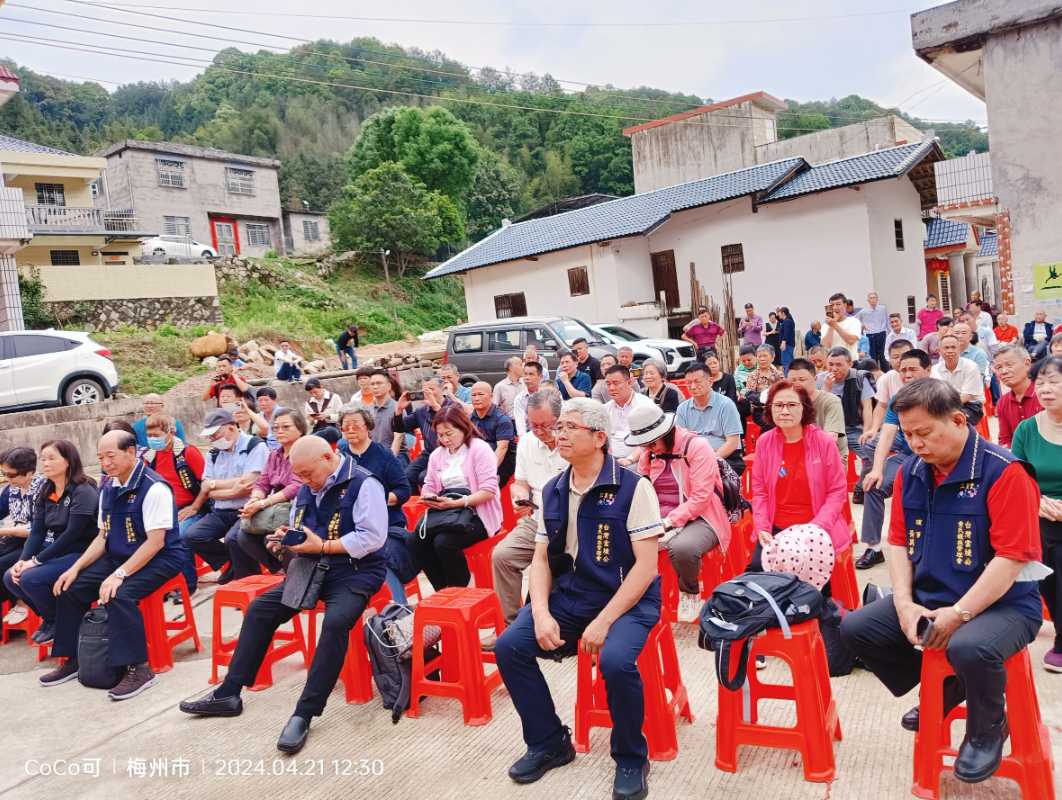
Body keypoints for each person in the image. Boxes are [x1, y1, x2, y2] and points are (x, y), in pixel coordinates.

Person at [839, 378, 1043, 786]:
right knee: (855, 628)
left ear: (957, 420)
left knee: (970, 645)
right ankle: (948, 689)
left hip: (1004, 605)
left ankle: (988, 727)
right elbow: (897, 542)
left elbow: (1009, 560)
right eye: (909, 434)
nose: (915, 443)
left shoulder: (1003, 472)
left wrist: (959, 613)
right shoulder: (914, 471)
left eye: (924, 433)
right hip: (931, 595)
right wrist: (903, 602)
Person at [493, 398, 663, 800]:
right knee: (509, 647)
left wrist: (604, 621)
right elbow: (540, 559)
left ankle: (631, 757)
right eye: (560, 427)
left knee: (616, 662)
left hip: (627, 601)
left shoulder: (634, 488)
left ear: (599, 438)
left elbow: (645, 568)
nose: (560, 433)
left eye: (571, 427)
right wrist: (539, 613)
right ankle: (550, 742)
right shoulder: (553, 489)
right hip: (573, 595)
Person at [180, 437, 388, 753]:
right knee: (261, 610)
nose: (303, 481)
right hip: (310, 567)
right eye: (299, 475)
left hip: (355, 570)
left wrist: (323, 547)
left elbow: (372, 537)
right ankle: (229, 691)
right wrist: (284, 539)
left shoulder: (364, 484)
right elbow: (299, 526)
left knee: (334, 624)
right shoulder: (307, 485)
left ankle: (305, 712)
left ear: (328, 457)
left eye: (307, 473)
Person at [38, 431, 186, 698]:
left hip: (161, 557)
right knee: (70, 587)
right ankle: (74, 658)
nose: (105, 462)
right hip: (119, 554)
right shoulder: (108, 486)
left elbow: (155, 543)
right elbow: (102, 536)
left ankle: (138, 669)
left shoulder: (154, 487)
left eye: (111, 456)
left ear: (131, 452)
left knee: (119, 594)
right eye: (100, 457)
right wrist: (76, 568)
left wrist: (120, 574)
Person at [632, 405, 731, 622]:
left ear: (665, 433)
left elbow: (701, 498)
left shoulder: (696, 447)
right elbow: (642, 490)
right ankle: (639, 596)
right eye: (644, 445)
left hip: (702, 516)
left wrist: (669, 522)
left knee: (683, 548)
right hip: (660, 516)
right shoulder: (648, 454)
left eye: (652, 443)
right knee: (623, 540)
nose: (649, 448)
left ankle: (690, 592)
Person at [750, 381, 850, 586]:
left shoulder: (823, 442)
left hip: (816, 530)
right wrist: (762, 527)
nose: (784, 411)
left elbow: (837, 491)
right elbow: (759, 490)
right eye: (778, 405)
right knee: (759, 585)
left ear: (805, 408)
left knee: (810, 594)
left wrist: (814, 529)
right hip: (776, 530)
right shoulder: (765, 442)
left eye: (792, 405)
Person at [3, 441, 97, 646]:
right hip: (55, 550)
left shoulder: (83, 490)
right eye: (43, 459)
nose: (45, 463)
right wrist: (23, 560)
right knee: (12, 577)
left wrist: (36, 561)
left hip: (81, 552)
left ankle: (58, 621)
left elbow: (72, 534)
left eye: (51, 458)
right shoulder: (48, 489)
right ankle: (53, 619)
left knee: (30, 579)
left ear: (67, 461)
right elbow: (37, 531)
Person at [491, 390, 567, 626]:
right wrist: (520, 496)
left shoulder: (572, 442)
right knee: (502, 556)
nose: (539, 431)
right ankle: (512, 625)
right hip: (537, 518)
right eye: (533, 425)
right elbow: (520, 483)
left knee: (550, 563)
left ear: (560, 419)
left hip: (570, 522)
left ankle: (547, 619)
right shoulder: (526, 442)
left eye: (545, 425)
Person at [858, 349, 934, 569]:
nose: (907, 374)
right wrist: (877, 469)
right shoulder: (898, 401)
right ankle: (873, 547)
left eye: (913, 369)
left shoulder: (941, 395)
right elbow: (888, 434)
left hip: (940, 458)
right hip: (909, 457)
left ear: (928, 370)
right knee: (873, 486)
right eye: (903, 370)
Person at [413, 405, 502, 589]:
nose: (445, 439)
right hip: (447, 511)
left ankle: (462, 590)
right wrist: (430, 498)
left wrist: (459, 503)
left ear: (463, 428)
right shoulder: (437, 455)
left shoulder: (479, 449)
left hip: (478, 513)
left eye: (449, 433)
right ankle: (444, 590)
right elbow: (429, 484)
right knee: (416, 541)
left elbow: (489, 490)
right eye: (440, 435)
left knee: (444, 543)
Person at [1011, 356, 1062, 672]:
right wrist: (1036, 500)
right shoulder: (1027, 430)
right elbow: (1016, 479)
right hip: (1042, 515)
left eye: (1054, 381)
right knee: (1048, 557)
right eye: (1040, 382)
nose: (1045, 389)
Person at [179, 410, 268, 584]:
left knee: (233, 539)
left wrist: (215, 485)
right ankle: (233, 565)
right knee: (192, 535)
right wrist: (231, 489)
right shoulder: (214, 453)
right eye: (210, 436)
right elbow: (206, 489)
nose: (212, 439)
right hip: (220, 511)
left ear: (231, 428)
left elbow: (249, 483)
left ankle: (246, 582)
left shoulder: (254, 446)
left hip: (246, 510)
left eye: (215, 434)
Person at [337, 407, 413, 605]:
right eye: (345, 426)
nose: (350, 429)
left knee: (378, 555)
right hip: (350, 527)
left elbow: (403, 490)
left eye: (355, 425)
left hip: (386, 525)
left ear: (368, 427)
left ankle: (398, 608)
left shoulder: (383, 455)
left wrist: (375, 501)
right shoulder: (340, 459)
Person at [235, 408, 306, 575]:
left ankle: (293, 575)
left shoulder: (304, 451)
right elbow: (263, 482)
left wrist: (262, 503)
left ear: (300, 429)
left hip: (298, 506)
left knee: (275, 538)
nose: (280, 431)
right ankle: (278, 570)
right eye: (276, 428)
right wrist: (254, 500)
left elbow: (296, 486)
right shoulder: (275, 454)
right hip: (274, 507)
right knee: (242, 536)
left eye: (286, 427)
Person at [141, 413, 206, 595]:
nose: (153, 439)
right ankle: (162, 584)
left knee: (181, 534)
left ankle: (188, 586)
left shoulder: (187, 453)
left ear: (170, 432)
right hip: (163, 512)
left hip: (191, 508)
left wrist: (194, 508)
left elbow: (206, 484)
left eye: (157, 435)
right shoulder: (150, 457)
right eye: (150, 436)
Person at [0, 448, 44, 626]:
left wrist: (5, 531)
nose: (7, 479)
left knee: (3, 565)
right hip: (16, 539)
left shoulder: (44, 487)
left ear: (29, 472)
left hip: (40, 542)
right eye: (4, 474)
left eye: (11, 475)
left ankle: (21, 601)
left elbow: (37, 528)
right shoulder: (10, 490)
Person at [676, 362, 744, 474]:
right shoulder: (682, 408)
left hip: (724, 457)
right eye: (689, 383)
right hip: (693, 458)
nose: (693, 387)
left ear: (710, 382)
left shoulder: (726, 404)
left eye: (697, 382)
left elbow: (732, 442)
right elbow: (681, 442)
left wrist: (709, 460)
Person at [394, 377, 454, 492]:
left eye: (431, 389)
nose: (428, 393)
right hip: (429, 453)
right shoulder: (421, 411)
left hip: (451, 453)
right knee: (407, 476)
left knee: (424, 477)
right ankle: (416, 505)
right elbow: (400, 428)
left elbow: (452, 425)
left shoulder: (454, 407)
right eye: (425, 390)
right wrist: (399, 410)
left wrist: (436, 407)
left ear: (442, 390)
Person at [786, 359, 847, 461]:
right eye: (792, 380)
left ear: (815, 378)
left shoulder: (831, 401)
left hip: (830, 456)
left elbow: (831, 438)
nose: (796, 384)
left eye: (801, 379)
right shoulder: (787, 402)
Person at [819, 347, 873, 462]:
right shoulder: (820, 380)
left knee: (871, 454)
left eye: (839, 365)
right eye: (830, 364)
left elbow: (867, 408)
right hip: (827, 429)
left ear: (850, 364)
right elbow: (817, 410)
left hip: (853, 429)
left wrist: (867, 433)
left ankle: (863, 480)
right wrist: (826, 389)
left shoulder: (859, 378)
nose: (834, 369)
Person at [602, 365, 655, 466]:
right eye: (608, 384)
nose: (611, 388)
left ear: (629, 382)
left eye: (616, 383)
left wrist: (630, 459)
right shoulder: (605, 409)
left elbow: (649, 441)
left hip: (638, 460)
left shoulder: (645, 405)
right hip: (610, 459)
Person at [992, 344, 1042, 448]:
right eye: (999, 367)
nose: (1004, 371)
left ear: (1027, 363)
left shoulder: (1044, 394)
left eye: (1009, 365)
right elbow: (1005, 439)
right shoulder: (1003, 402)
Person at [470, 381, 517, 486]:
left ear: (491, 396)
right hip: (479, 461)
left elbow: (502, 449)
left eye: (480, 394)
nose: (476, 398)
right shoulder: (470, 419)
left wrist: (488, 473)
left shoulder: (502, 419)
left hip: (502, 463)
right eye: (473, 395)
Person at [931, 334, 985, 426]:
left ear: (959, 349)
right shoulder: (935, 369)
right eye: (946, 348)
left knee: (953, 422)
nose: (950, 351)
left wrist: (945, 410)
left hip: (970, 405)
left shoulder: (970, 366)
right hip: (945, 405)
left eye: (953, 347)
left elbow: (967, 396)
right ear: (939, 351)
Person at [367, 370, 406, 462]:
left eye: (379, 383)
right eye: (372, 384)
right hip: (374, 454)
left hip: (397, 454)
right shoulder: (367, 410)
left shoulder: (398, 408)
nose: (375, 387)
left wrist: (388, 460)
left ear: (389, 386)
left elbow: (399, 437)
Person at [855, 291, 889, 370]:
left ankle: (886, 373)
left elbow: (887, 320)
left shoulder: (883, 309)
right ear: (868, 300)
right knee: (873, 356)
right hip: (870, 335)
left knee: (883, 356)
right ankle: (874, 373)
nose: (873, 300)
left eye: (874, 298)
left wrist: (889, 332)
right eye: (871, 298)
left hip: (881, 334)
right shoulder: (863, 312)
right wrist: (861, 325)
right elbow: (855, 320)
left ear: (877, 299)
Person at [822, 292, 861, 360]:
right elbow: (825, 345)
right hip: (833, 363)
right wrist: (831, 325)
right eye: (832, 305)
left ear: (845, 305)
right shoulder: (826, 325)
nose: (835, 307)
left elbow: (851, 340)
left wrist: (835, 325)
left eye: (838, 304)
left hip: (851, 362)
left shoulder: (854, 321)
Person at [513, 362, 545, 437]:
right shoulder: (519, 398)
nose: (527, 377)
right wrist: (524, 441)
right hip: (529, 435)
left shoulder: (550, 394)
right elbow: (520, 424)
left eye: (531, 374)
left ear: (540, 377)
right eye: (525, 374)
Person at [776, 306, 796, 371]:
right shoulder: (787, 321)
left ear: (783, 313)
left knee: (786, 362)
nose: (778, 314)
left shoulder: (787, 321)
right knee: (789, 362)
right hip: (789, 345)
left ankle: (787, 377)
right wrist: (777, 312)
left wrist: (783, 342)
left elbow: (786, 333)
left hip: (787, 345)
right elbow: (779, 319)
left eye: (779, 313)